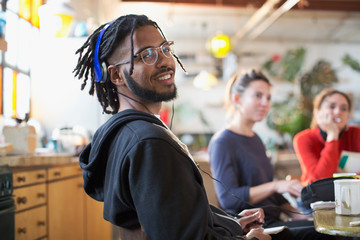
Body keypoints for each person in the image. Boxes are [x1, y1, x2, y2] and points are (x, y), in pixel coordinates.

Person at [73, 14, 271, 240]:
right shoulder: (149, 142)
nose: (165, 61)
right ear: (116, 74)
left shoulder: (124, 134)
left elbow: (169, 220)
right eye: (146, 55)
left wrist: (232, 223)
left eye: (165, 49)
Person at [208, 70, 333, 240]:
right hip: (254, 230)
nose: (265, 103)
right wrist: (276, 185)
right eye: (258, 96)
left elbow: (266, 187)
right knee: (326, 233)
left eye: (268, 98)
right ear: (237, 99)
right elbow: (228, 200)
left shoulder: (255, 139)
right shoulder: (222, 142)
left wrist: (295, 211)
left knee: (329, 226)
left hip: (275, 220)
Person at [293, 88, 360, 186]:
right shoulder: (303, 139)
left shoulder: (356, 134)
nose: (338, 112)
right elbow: (319, 181)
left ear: (348, 116)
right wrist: (332, 136)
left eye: (343, 109)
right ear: (317, 113)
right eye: (332, 107)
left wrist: (346, 177)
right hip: (316, 197)